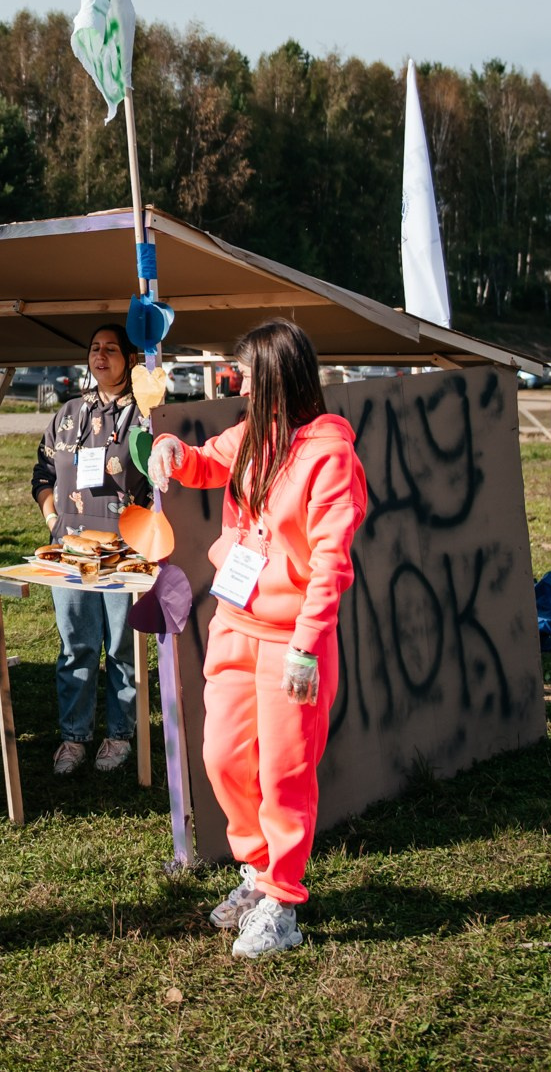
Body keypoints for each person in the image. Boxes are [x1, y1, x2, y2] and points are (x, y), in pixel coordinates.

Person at [147, 318, 368, 959]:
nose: (236, 384)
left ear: (274, 377)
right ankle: (257, 868)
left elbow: (331, 561)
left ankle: (283, 900)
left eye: (245, 374)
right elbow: (203, 462)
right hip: (235, 623)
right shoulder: (252, 437)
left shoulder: (331, 455)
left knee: (285, 772)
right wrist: (167, 450)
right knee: (220, 756)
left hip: (292, 639)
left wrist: (307, 642)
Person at [30, 325, 149, 776]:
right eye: (94, 348)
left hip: (123, 552)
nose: (101, 355)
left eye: (111, 349)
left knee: (121, 645)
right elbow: (42, 471)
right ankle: (74, 737)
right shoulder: (67, 415)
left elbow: (162, 485)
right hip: (72, 551)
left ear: (131, 359)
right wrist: (50, 518)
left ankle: (119, 735)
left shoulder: (145, 417)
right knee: (76, 644)